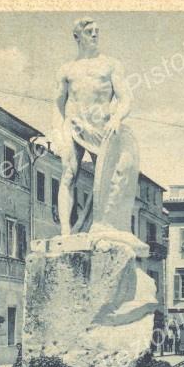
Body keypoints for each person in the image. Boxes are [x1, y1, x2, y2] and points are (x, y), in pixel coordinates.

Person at [51, 17, 135, 236]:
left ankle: (101, 225)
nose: (96, 35)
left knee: (106, 180)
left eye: (97, 31)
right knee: (68, 174)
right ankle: (65, 231)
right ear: (77, 37)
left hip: (102, 130)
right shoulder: (66, 70)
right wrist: (59, 134)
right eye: (90, 32)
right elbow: (58, 105)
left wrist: (116, 118)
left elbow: (126, 98)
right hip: (74, 126)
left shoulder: (110, 65)